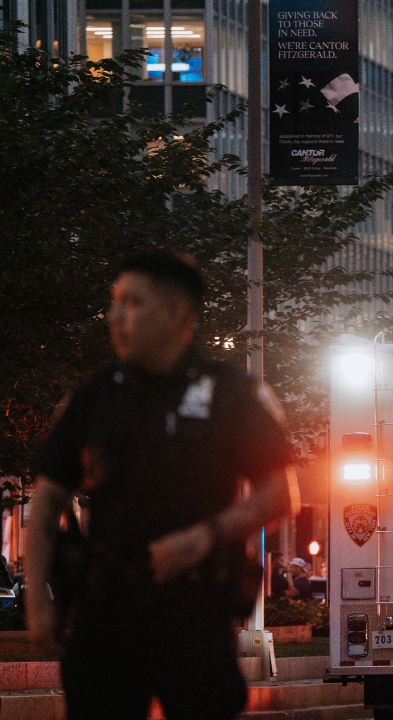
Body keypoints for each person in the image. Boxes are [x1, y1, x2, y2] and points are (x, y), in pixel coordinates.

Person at [25, 251, 297, 720]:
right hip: (106, 610)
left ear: (177, 314)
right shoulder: (95, 396)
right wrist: (38, 602)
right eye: (114, 303)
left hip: (193, 609)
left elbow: (280, 493)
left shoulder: (230, 393)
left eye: (132, 303)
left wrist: (205, 536)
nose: (115, 316)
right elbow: (46, 502)